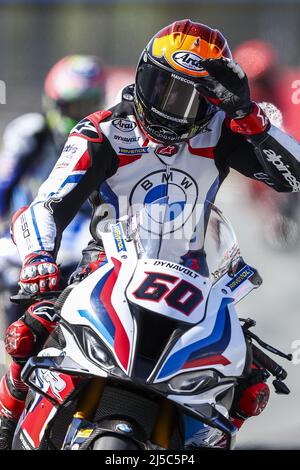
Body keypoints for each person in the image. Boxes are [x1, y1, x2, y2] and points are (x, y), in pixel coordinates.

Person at [1, 19, 300, 449]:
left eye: (189, 99)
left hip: (195, 285)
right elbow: (45, 205)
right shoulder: (101, 130)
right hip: (104, 273)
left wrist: (248, 116)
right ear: (142, 74)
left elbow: (291, 177)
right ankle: (6, 431)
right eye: (163, 88)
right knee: (29, 335)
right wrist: (38, 259)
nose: (170, 108)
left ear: (212, 102)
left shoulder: (220, 132)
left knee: (250, 387)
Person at [0, 55, 106, 329]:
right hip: (22, 229)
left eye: (88, 106)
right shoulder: (31, 133)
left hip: (80, 231)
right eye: (72, 106)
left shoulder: (106, 140)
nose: (78, 115)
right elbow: (4, 183)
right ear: (55, 102)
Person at [234, 40, 300, 248]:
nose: (258, 86)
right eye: (252, 81)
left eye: (263, 80)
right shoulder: (245, 98)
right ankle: (268, 216)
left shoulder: (292, 86)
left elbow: (295, 127)